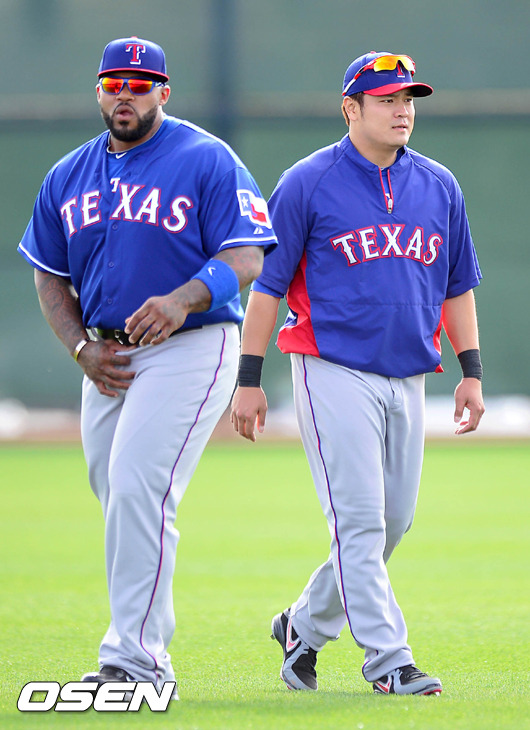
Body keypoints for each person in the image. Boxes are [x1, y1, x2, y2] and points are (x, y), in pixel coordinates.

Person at [18, 36, 277, 699]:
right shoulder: (68, 175)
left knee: (138, 486)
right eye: (114, 84)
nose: (125, 94)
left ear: (163, 92)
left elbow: (248, 255)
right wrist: (80, 349)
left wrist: (183, 297)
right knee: (120, 498)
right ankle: (141, 649)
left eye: (139, 84)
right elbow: (49, 274)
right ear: (99, 92)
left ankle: (136, 661)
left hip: (191, 343)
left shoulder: (205, 158)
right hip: (106, 357)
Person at [231, 51, 485, 696]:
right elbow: (267, 287)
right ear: (351, 108)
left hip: (410, 373)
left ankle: (303, 625)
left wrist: (472, 371)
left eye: (408, 99)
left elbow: (457, 285)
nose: (403, 111)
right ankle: (388, 660)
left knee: (392, 523)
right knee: (361, 523)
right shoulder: (307, 181)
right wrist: (249, 378)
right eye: (387, 99)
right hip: (332, 367)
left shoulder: (439, 184)